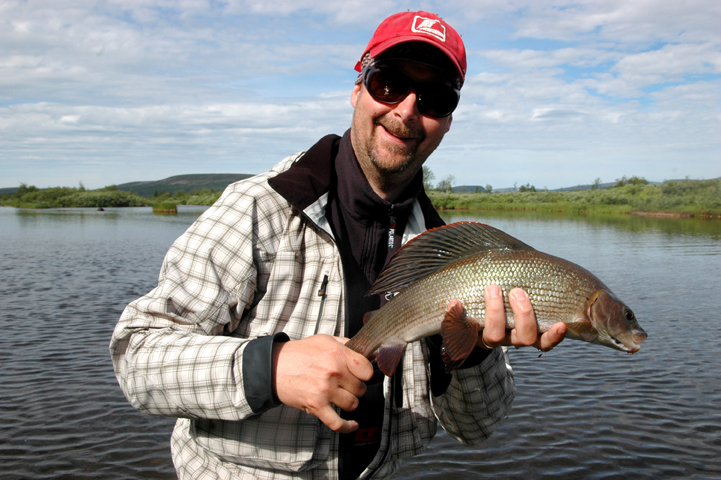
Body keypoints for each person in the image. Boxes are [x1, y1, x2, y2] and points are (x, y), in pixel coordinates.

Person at [110, 10, 567, 480]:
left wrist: (471, 353)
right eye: (389, 84)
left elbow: (477, 428)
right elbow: (135, 357)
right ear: (357, 88)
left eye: (434, 98)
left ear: (448, 121)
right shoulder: (260, 208)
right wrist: (270, 368)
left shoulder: (451, 254)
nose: (407, 110)